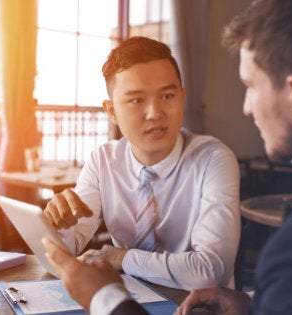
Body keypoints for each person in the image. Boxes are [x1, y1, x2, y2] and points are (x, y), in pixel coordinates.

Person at [45, 0, 292, 314]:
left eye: (250, 86)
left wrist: (105, 298)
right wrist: (254, 302)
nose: (246, 108)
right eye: (136, 99)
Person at [41, 36, 241, 305]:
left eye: (167, 96)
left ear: (182, 98)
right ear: (111, 111)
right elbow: (68, 249)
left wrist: (121, 257)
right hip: (126, 303)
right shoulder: (103, 161)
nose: (155, 113)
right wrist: (57, 227)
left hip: (200, 309)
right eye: (136, 100)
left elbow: (210, 273)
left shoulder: (213, 160)